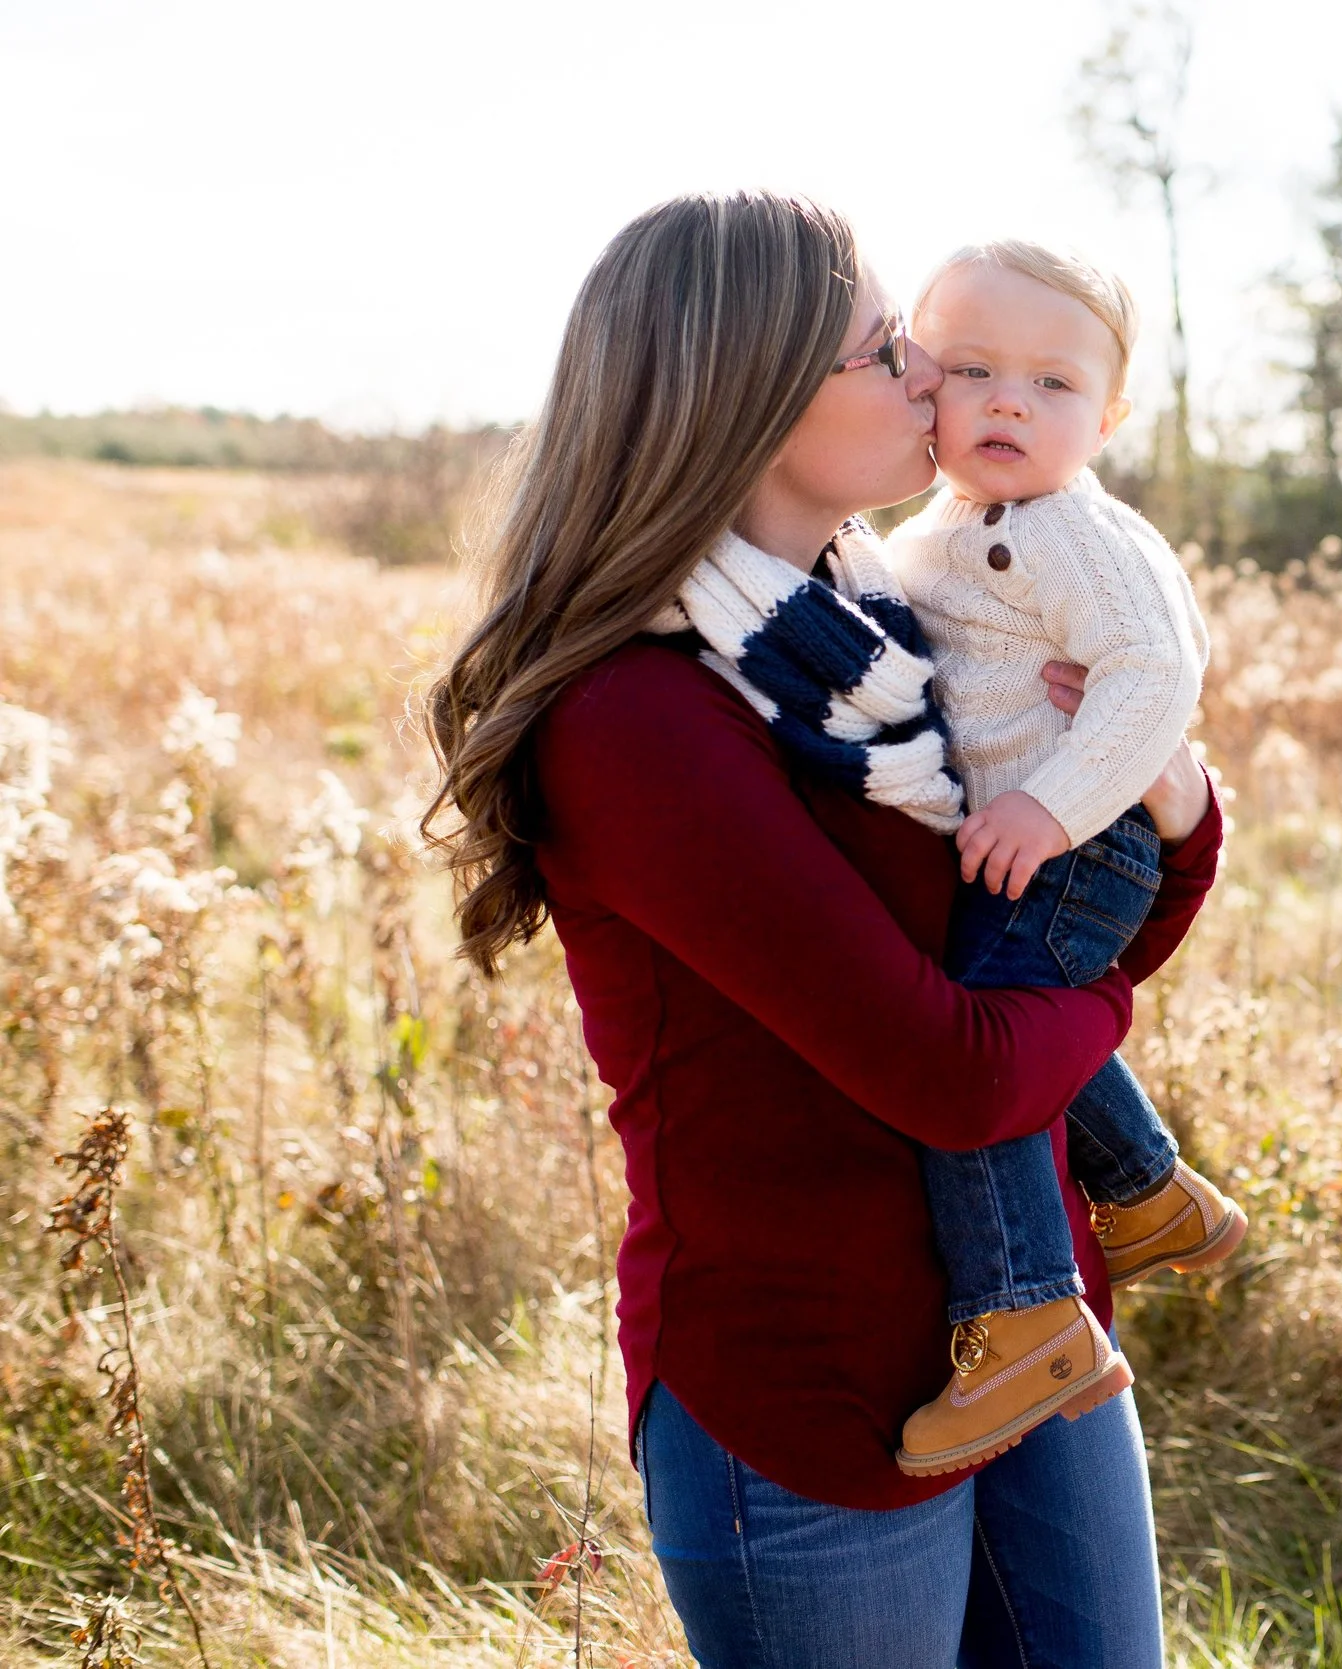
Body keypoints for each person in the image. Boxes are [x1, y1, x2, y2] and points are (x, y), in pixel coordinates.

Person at [423, 191, 1211, 1669]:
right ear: (752, 394)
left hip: (1034, 1333)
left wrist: (1168, 798)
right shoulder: (642, 720)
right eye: (882, 353)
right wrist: (1098, 1013)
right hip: (815, 1396)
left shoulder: (898, 630)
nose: (933, 379)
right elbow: (960, 1070)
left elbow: (1059, 946)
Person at [878, 240, 1247, 1477]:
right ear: (917, 377)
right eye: (971, 368)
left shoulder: (1070, 532)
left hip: (1077, 845)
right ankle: (1145, 1193)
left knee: (976, 1037)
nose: (1005, 402)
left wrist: (1050, 804)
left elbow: (1152, 676)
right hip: (1028, 844)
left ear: (1108, 419)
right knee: (1017, 1010)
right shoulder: (937, 527)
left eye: (1051, 385)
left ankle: (1029, 1312)